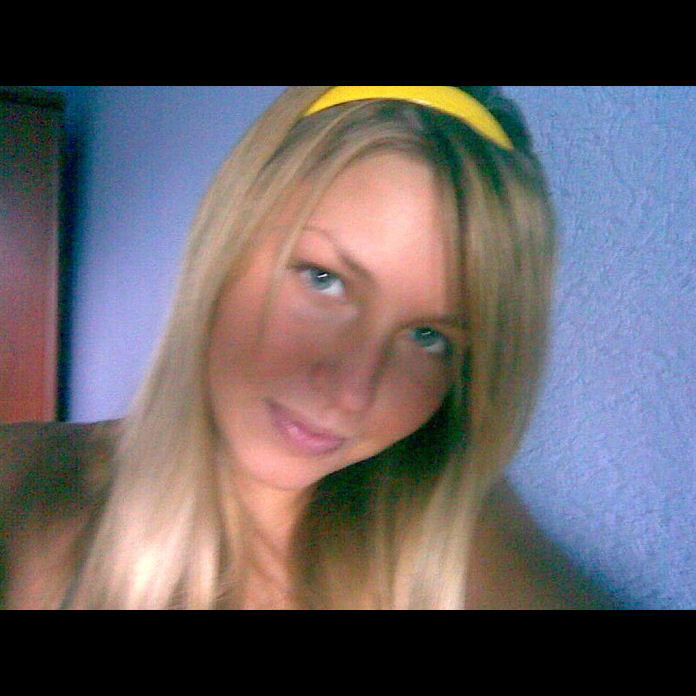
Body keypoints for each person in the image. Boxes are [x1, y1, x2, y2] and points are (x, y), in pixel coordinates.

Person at [0, 86, 618, 609]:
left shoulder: (450, 529)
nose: (352, 393)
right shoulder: (21, 479)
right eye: (324, 279)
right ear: (226, 244)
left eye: (429, 337)